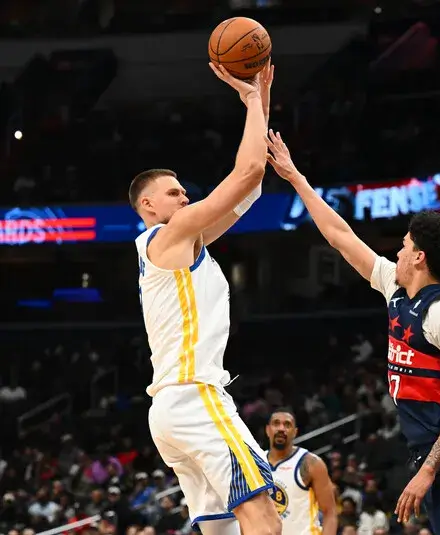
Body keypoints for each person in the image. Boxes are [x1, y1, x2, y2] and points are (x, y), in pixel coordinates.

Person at [265, 133, 440, 535]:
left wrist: (428, 471)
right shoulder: (393, 287)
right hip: (437, 458)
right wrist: (296, 178)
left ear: (418, 256)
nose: (396, 253)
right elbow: (340, 236)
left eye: (403, 246)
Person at [131, 62, 280, 535]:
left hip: (170, 410)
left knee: (223, 531)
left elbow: (251, 187)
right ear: (148, 205)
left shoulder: (182, 244)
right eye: (174, 193)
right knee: (264, 519)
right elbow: (249, 169)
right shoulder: (168, 236)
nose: (184, 198)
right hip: (196, 397)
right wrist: (250, 99)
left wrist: (261, 98)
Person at [266, 409, 338, 535]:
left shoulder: (311, 463)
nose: (281, 428)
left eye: (287, 425)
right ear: (268, 430)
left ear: (295, 432)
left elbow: (329, 512)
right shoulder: (256, 463)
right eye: (276, 423)